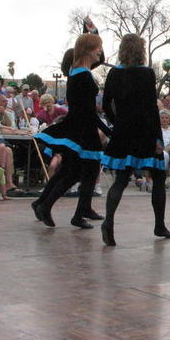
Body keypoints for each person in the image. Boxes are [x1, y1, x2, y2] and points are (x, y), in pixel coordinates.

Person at [100, 34, 170, 245]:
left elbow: (106, 105)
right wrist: (157, 140)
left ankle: (108, 222)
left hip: (123, 133)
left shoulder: (114, 73)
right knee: (159, 177)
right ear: (141, 50)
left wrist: (118, 123)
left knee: (121, 180)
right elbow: (151, 108)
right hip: (145, 133)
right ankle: (159, 225)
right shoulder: (146, 74)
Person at [33, 34, 108, 228]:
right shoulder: (82, 74)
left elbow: (101, 59)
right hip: (82, 128)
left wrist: (92, 31)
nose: (100, 51)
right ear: (88, 50)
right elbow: (88, 110)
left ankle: (49, 204)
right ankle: (54, 207)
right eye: (98, 47)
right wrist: (106, 130)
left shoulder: (76, 71)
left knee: (72, 170)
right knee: (82, 170)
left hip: (77, 126)